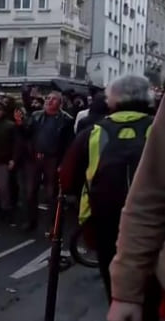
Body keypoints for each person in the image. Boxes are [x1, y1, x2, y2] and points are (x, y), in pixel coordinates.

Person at [60, 75, 159, 320]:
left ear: (111, 100)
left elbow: (67, 179)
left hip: (102, 221)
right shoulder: (158, 129)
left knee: (116, 287)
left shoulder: (92, 132)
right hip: (156, 227)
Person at [106, 84, 165, 321]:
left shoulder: (98, 129)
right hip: (134, 230)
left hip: (108, 217)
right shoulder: (153, 126)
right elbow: (151, 191)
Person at [15, 90, 74, 231]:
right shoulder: (36, 116)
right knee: (30, 191)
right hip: (35, 157)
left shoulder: (66, 120)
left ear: (60, 103)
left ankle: (54, 224)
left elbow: (69, 144)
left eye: (53, 99)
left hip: (53, 159)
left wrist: (63, 163)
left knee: (51, 193)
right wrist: (20, 124)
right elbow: (27, 134)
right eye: (47, 98)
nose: (49, 101)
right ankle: (31, 221)